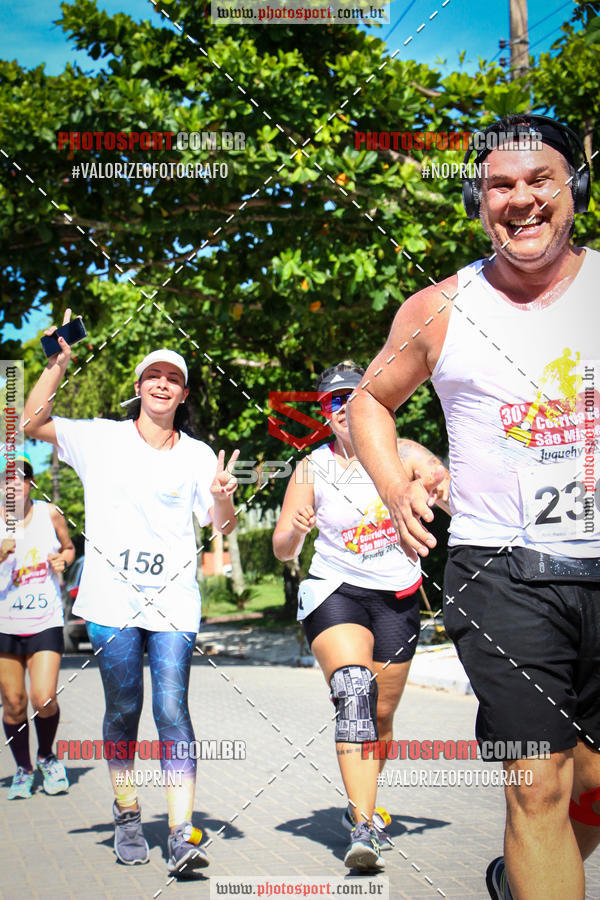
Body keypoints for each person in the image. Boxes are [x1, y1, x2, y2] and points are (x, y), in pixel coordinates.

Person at [347, 114, 599, 899]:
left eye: (539, 182)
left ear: (575, 190)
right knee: (536, 784)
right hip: (500, 574)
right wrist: (394, 485)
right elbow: (369, 402)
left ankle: (510, 881)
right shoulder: (441, 308)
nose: (520, 200)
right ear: (477, 199)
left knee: (589, 785)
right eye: (500, 185)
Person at [22, 315, 238, 875]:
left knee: (172, 709)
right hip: (110, 601)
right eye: (153, 376)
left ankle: (183, 834)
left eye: (173, 378)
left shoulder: (197, 454)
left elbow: (223, 527)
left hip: (174, 603)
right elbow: (28, 421)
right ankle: (126, 812)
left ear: (183, 392)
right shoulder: (101, 437)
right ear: (139, 387)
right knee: (124, 709)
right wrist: (56, 365)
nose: (162, 385)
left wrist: (222, 497)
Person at [273, 361, 449, 871]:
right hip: (336, 590)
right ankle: (363, 826)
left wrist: (440, 488)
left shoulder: (407, 454)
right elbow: (283, 546)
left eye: (355, 396)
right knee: (354, 692)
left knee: (381, 717)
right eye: (333, 401)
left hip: (397, 594)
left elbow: (456, 496)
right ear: (324, 414)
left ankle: (368, 806)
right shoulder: (312, 468)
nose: (345, 407)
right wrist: (297, 530)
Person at [0, 451, 74, 799]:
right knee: (14, 703)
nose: (13, 483)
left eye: (20, 476)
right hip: (4, 623)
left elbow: (69, 547)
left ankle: (46, 756)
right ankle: (23, 768)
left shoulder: (49, 513)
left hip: (45, 618)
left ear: (30, 482)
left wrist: (63, 558)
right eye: (6, 478)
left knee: (42, 698)